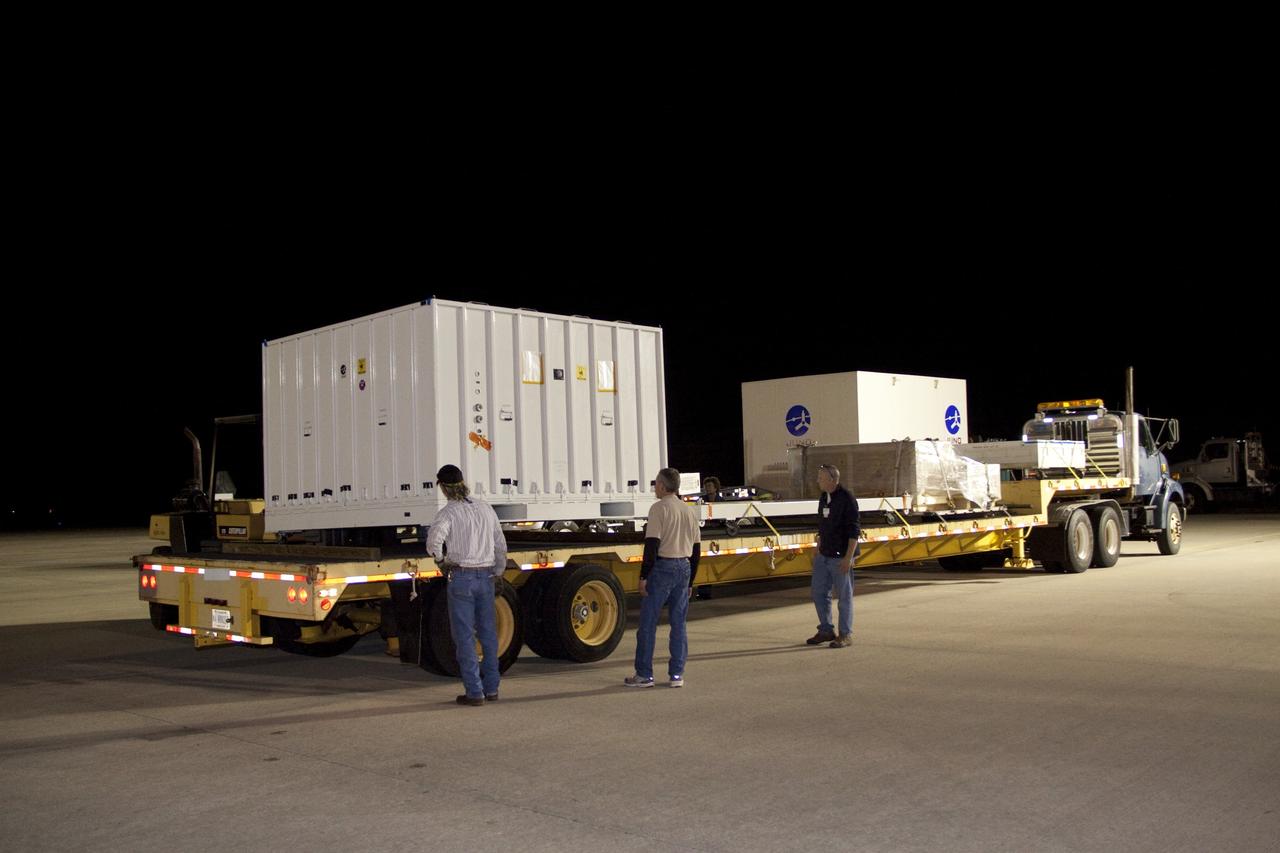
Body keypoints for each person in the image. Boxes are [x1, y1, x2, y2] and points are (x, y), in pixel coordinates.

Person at [426, 464, 508, 706]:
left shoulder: (448, 513)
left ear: (442, 487)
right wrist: (499, 571)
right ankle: (492, 688)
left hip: (461, 578)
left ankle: (474, 692)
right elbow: (500, 544)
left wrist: (442, 560)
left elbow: (433, 543)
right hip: (486, 577)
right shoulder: (485, 508)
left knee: (465, 638)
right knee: (489, 635)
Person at [625, 467, 701, 688]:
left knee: (648, 623)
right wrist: (691, 581)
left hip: (663, 567)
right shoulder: (689, 511)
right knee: (679, 624)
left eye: (655, 484)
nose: (654, 488)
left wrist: (643, 575)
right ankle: (677, 674)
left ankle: (644, 675)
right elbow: (696, 550)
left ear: (662, 486)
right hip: (684, 568)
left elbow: (652, 545)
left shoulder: (658, 509)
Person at [807, 463, 860, 648]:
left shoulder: (847, 498)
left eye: (820, 478)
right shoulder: (824, 497)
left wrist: (848, 558)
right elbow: (822, 523)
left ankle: (845, 634)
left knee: (844, 596)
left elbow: (854, 531)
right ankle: (826, 630)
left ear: (832, 479)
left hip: (840, 556)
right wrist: (818, 545)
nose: (817, 481)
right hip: (824, 554)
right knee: (818, 592)